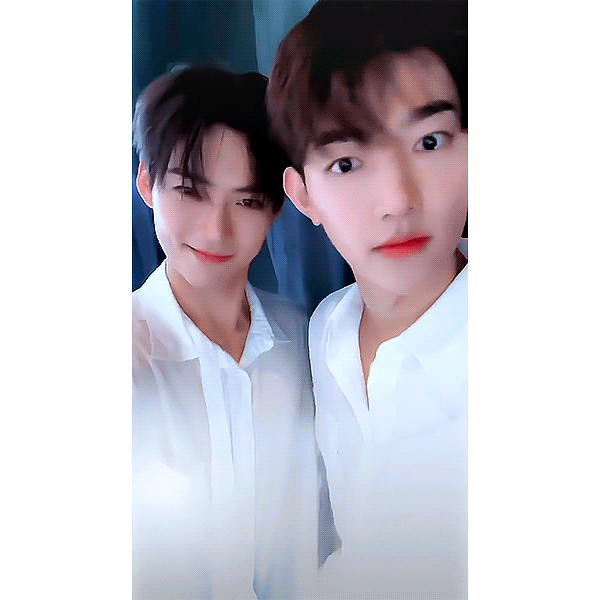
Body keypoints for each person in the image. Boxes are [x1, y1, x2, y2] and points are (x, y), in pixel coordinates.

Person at [266, 1, 468, 597]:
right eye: (347, 163)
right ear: (303, 196)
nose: (397, 200)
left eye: (429, 141)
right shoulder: (327, 330)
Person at [132, 66, 328, 599]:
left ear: (277, 208)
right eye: (190, 192)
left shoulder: (310, 342)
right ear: (147, 183)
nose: (216, 230)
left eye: (246, 201)